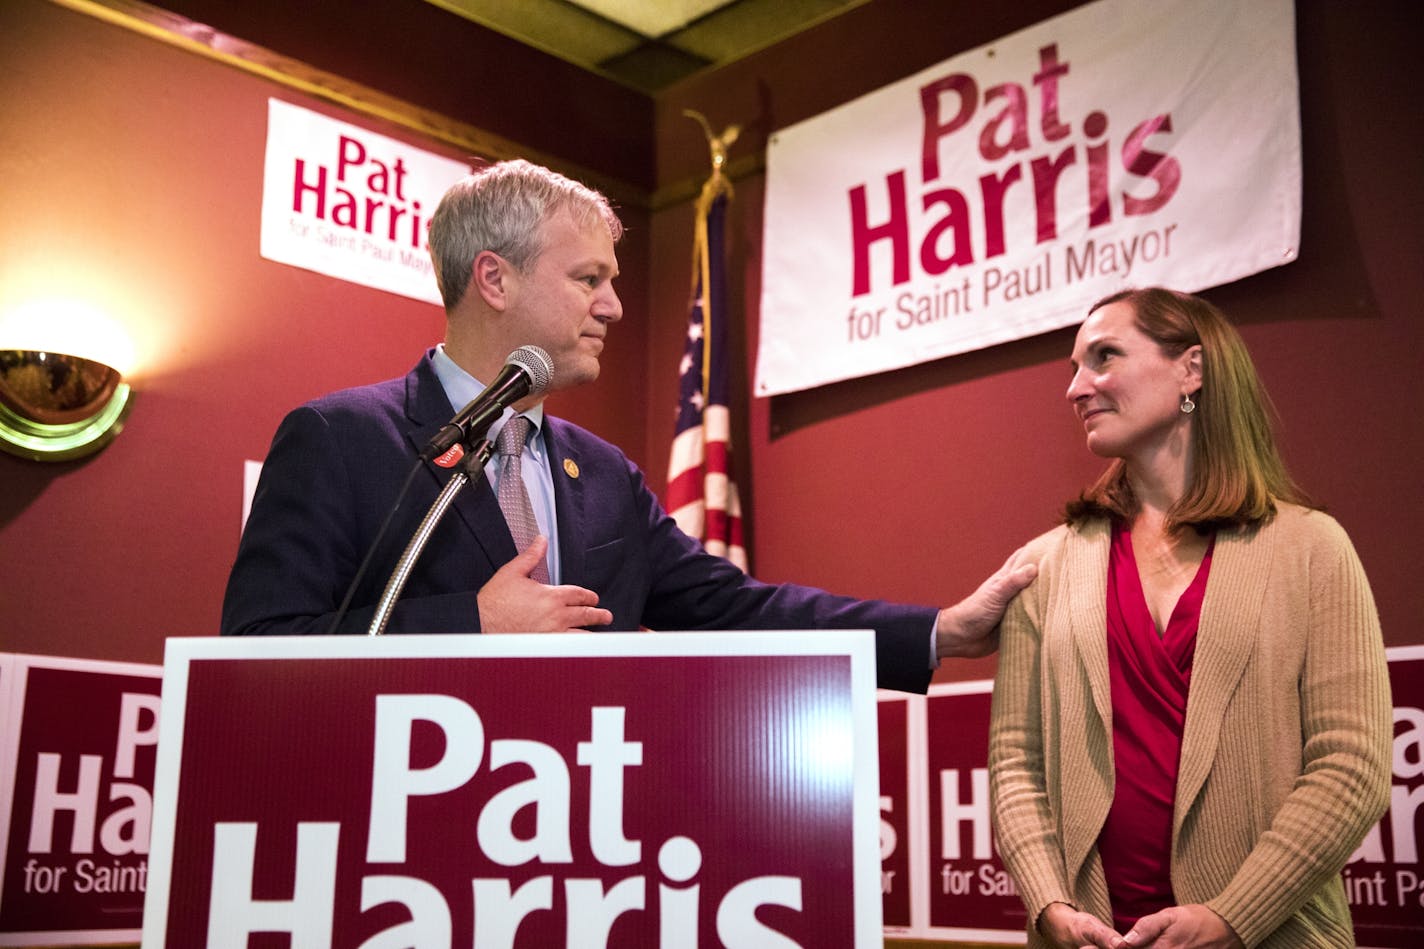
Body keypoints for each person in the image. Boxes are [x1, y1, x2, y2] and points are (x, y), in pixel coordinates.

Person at [221, 158, 1035, 694]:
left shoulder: (604, 474)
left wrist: (941, 630)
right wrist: (472, 626)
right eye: (589, 279)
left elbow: (739, 610)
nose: (613, 305)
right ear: (494, 279)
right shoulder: (340, 439)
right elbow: (253, 654)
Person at [988, 288, 1391, 948]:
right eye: (1072, 368)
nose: (1076, 388)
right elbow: (1015, 763)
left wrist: (1235, 916)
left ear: (1191, 370)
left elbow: (1354, 763)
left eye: (1104, 356)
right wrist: (1050, 902)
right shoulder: (1042, 565)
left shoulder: (1313, 546)